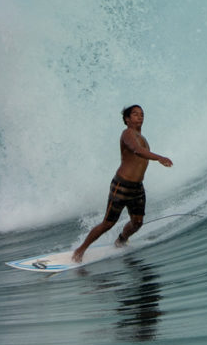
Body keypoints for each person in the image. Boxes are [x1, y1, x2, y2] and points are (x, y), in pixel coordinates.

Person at [73, 105, 173, 262]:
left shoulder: (143, 138)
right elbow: (136, 150)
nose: (140, 117)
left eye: (142, 114)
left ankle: (120, 241)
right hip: (122, 185)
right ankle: (80, 250)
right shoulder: (127, 134)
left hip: (137, 188)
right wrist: (159, 157)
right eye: (135, 114)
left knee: (137, 223)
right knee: (108, 224)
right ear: (127, 119)